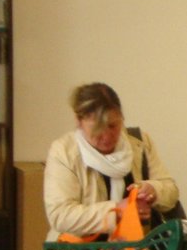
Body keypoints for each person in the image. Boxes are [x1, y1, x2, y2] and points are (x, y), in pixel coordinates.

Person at [44, 83, 180, 241]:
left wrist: (153, 190)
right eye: (97, 129)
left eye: (113, 126)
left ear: (121, 117)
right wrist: (116, 211)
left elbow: (171, 191)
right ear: (78, 121)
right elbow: (60, 215)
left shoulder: (139, 143)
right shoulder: (63, 152)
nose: (107, 136)